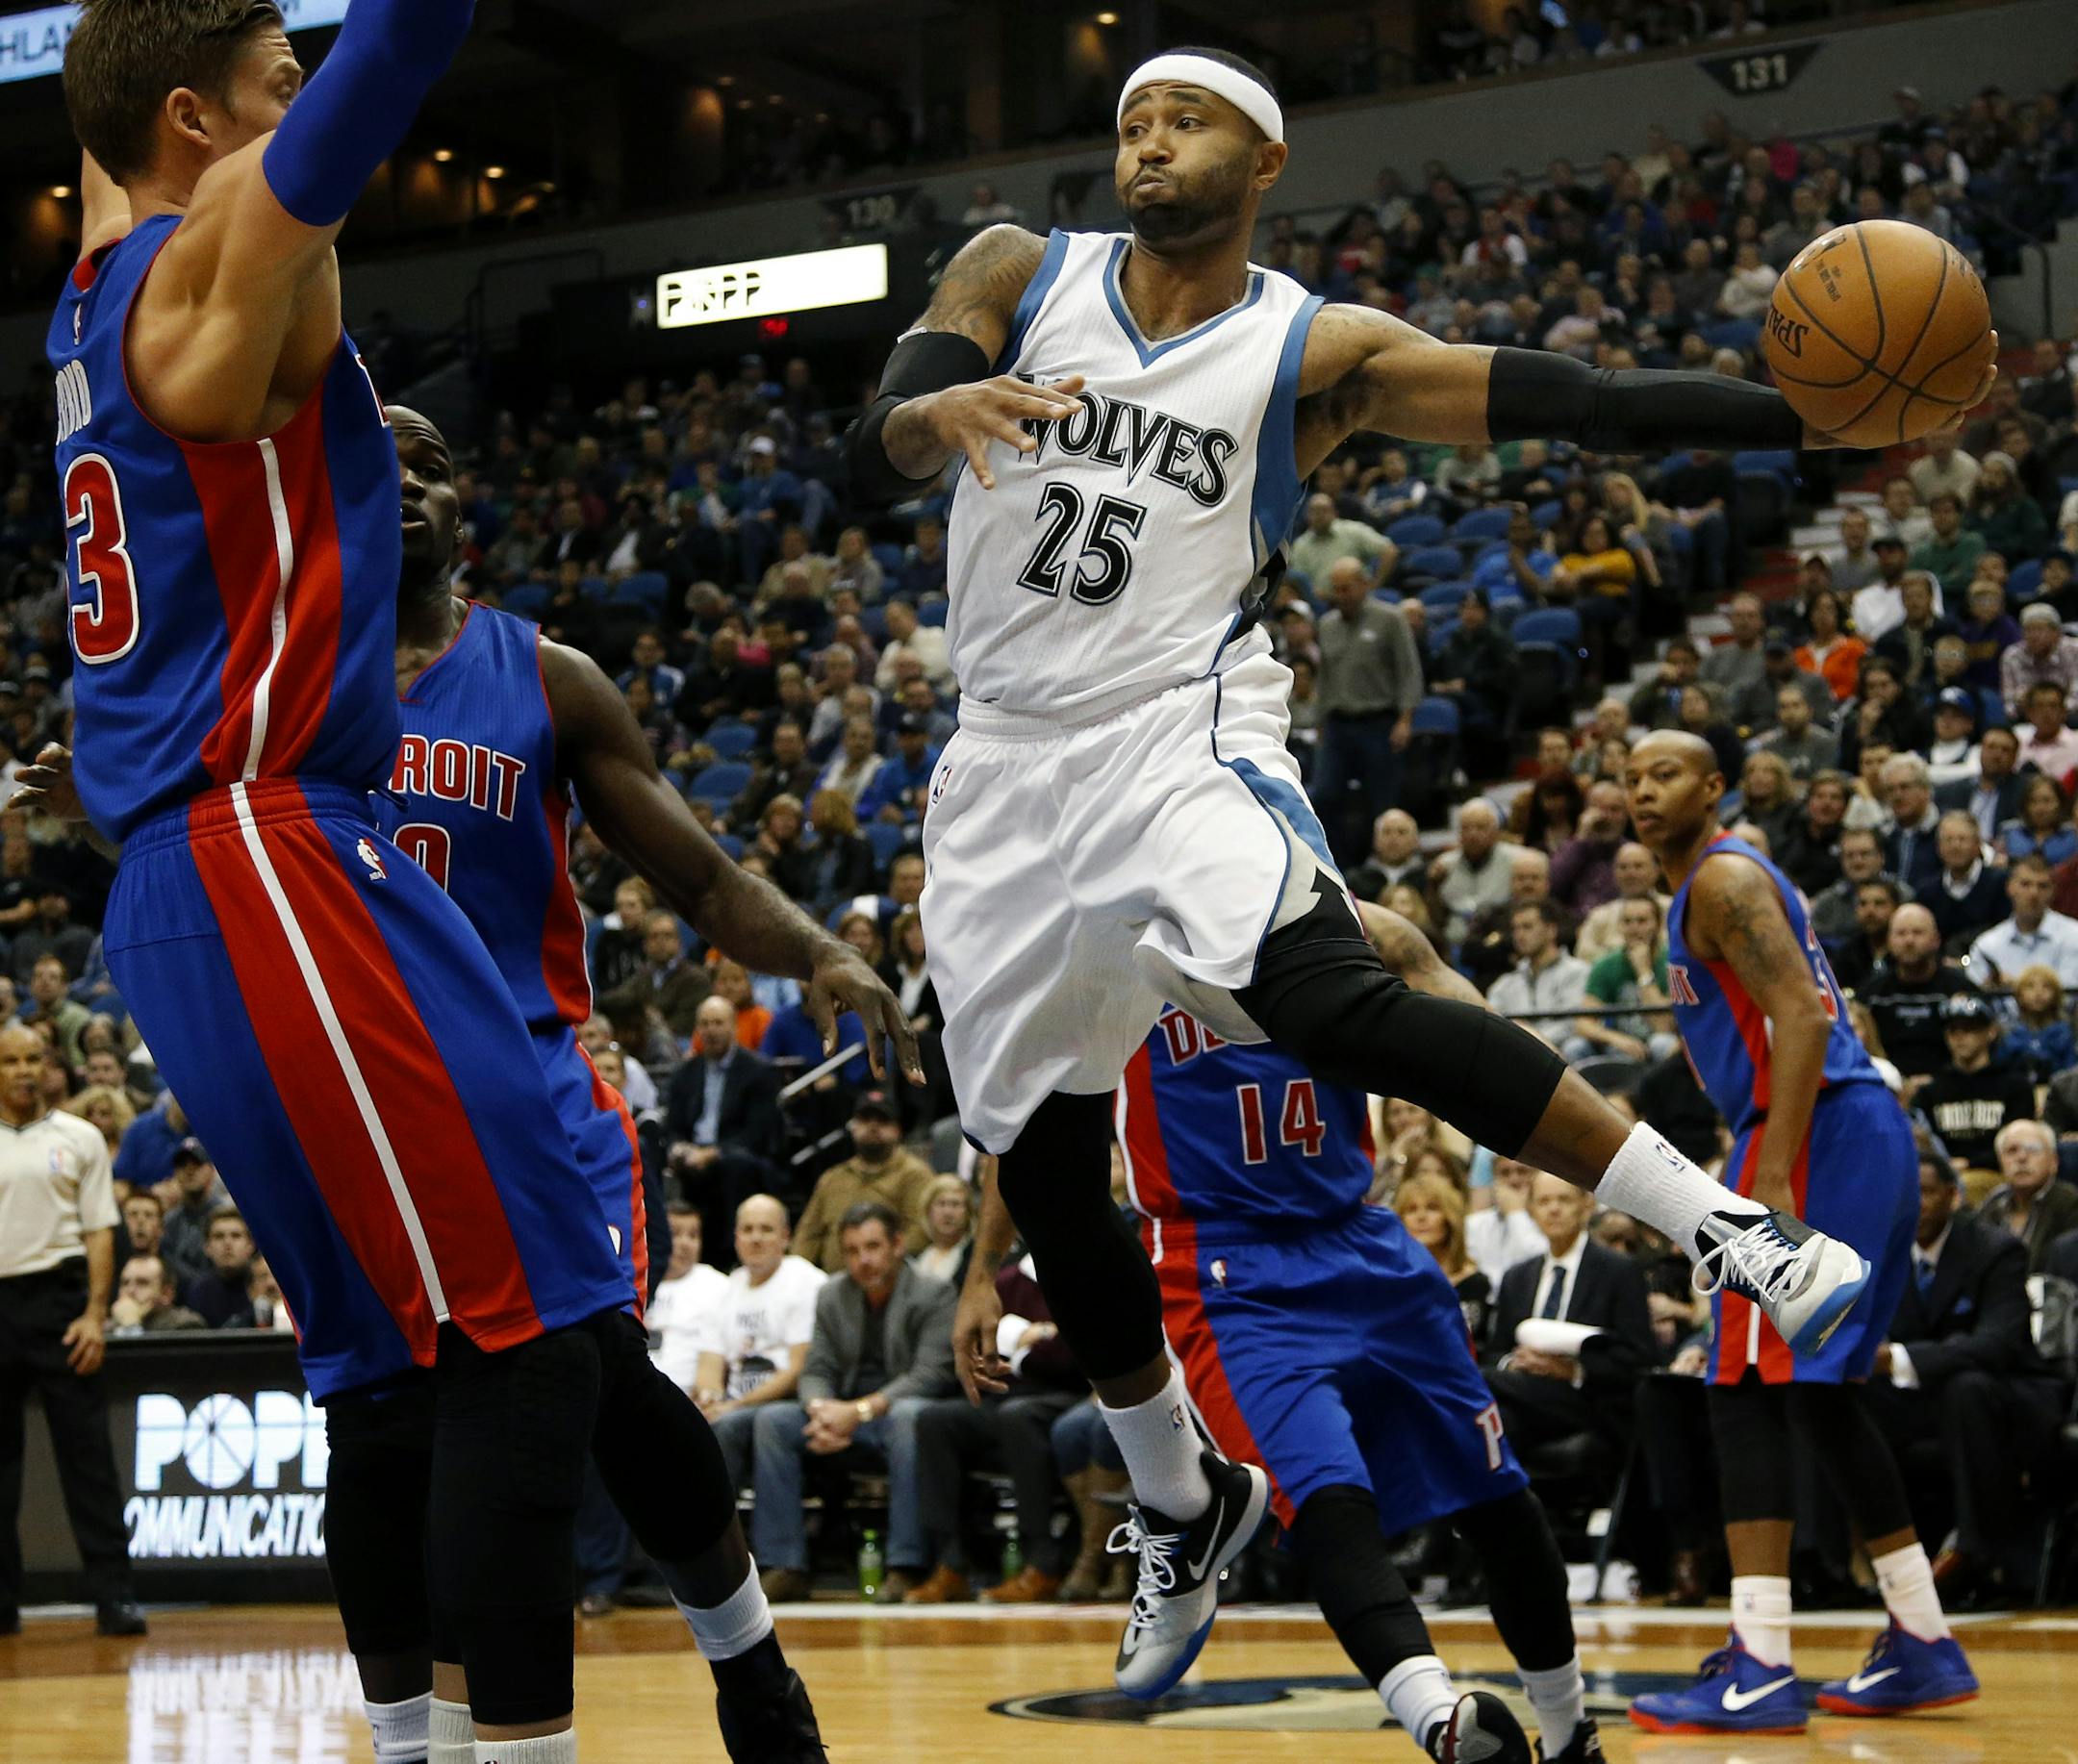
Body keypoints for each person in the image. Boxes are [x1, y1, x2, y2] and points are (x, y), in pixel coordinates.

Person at [850, 43, 1903, 1701]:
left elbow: (1580, 405)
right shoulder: (1014, 267)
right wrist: (928, 412)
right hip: (994, 767)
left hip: (1173, 728)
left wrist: (1805, 410)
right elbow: (871, 456)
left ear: (1265, 159)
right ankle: (1180, 1505)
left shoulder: (1306, 346)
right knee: (1044, 1163)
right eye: (1131, 118)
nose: (1147, 139)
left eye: (1183, 117)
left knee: (1330, 994)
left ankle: (1725, 1225)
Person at [50, 3, 640, 1748]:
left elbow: (112, 113)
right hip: (272, 850)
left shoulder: (97, 287)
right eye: (266, 84)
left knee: (391, 1375)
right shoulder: (201, 265)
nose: (298, 107)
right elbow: (392, 59)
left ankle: (415, 1742)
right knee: (522, 1341)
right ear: (190, 121)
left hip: (210, 869)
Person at [993, 905, 1603, 1764]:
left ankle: (1574, 1732)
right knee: (1321, 1499)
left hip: (1363, 1236)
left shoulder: (1339, 917)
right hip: (1226, 1268)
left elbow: (1471, 1035)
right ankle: (1441, 1723)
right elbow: (1020, 1117)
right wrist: (985, 1273)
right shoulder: (1106, 944)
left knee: (1497, 1497)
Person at [1625, 732, 1977, 1731]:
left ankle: (1760, 1660)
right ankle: (1922, 1637)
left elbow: (1805, 1021)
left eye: (1666, 774)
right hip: (1845, 1130)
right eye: (1631, 778)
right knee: (1816, 1398)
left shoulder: (1725, 878)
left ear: (1715, 787)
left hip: (1812, 1135)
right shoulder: (1721, 882)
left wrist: (1772, 1169)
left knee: (1737, 1387)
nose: (1645, 791)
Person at [1860, 1148, 2068, 1605]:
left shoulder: (1996, 1250)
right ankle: (1850, 1559)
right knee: (1845, 1392)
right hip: (1930, 1397)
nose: (1913, 1205)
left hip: (2010, 1393)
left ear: (1953, 1196)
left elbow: (1997, 1344)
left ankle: (1974, 1553)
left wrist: (1898, 1358)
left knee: (1965, 1387)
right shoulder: (1887, 1257)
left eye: (1926, 1193)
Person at [0, 1023, 143, 1636]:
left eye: (34, 1058)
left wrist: (93, 1313)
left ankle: (115, 1596)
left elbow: (98, 1232)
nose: (24, 1070)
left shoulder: (80, 1137)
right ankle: (0, 1603)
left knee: (88, 1461)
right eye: (10, 1061)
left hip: (61, 1302)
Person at [742, 1204, 957, 1603]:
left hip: (895, 1412)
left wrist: (857, 1412)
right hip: (843, 1413)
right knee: (773, 1421)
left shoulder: (934, 1293)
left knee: (911, 1419)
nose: (864, 1260)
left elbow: (930, 1376)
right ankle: (785, 1564)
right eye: (853, 1250)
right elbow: (815, 1369)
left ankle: (905, 1565)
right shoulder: (832, 1294)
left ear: (897, 1245)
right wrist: (821, 1411)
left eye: (873, 1247)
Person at [1482, 1175, 1657, 1459]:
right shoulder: (1517, 1277)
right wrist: (1514, 1363)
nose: (1554, 1209)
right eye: (1544, 1201)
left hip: (1588, 1399)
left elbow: (1640, 1358)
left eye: (1564, 1200)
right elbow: (1496, 1351)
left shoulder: (1618, 1271)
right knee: (1499, 1423)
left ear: (1586, 1205)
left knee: (1482, 1381)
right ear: (1531, 1211)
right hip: (1524, 1394)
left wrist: (1572, 1370)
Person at [665, 997, 787, 1253]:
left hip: (740, 1155)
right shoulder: (685, 1073)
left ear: (733, 1026)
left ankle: (730, 1254)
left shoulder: (757, 1070)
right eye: (705, 1024)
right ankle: (662, 1253)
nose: (711, 1030)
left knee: (733, 1166)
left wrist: (713, 1153)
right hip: (693, 1156)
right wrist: (677, 1148)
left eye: (718, 1023)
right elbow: (673, 1126)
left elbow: (758, 1133)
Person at [790, 1091, 939, 1273]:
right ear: (853, 1127)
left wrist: (877, 1262)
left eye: (882, 1120)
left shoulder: (916, 1175)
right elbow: (808, 1235)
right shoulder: (833, 1177)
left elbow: (922, 1231)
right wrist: (796, 1274)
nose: (873, 1126)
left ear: (897, 1130)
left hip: (891, 1281)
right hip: (832, 1284)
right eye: (865, 1120)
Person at [1915, 995, 2036, 1175]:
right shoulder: (1930, 1091)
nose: (1960, 1037)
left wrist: (1971, 1163)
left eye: (1969, 1029)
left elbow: (2020, 1141)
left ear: (1991, 1032)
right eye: (1953, 1030)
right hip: (1942, 1175)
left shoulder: (2015, 1086)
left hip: (1999, 1173)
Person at [1976, 1120, 2078, 1273]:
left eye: (2033, 1149)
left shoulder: (2070, 1203)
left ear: (2054, 1162)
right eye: (2011, 1150)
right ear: (2000, 1162)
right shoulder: (1994, 1202)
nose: (2022, 1157)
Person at [107, 1252, 205, 1335]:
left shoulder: (185, 1326)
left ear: (166, 1294)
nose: (130, 1291)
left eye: (142, 1283)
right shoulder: (106, 1330)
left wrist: (131, 1325)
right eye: (125, 1283)